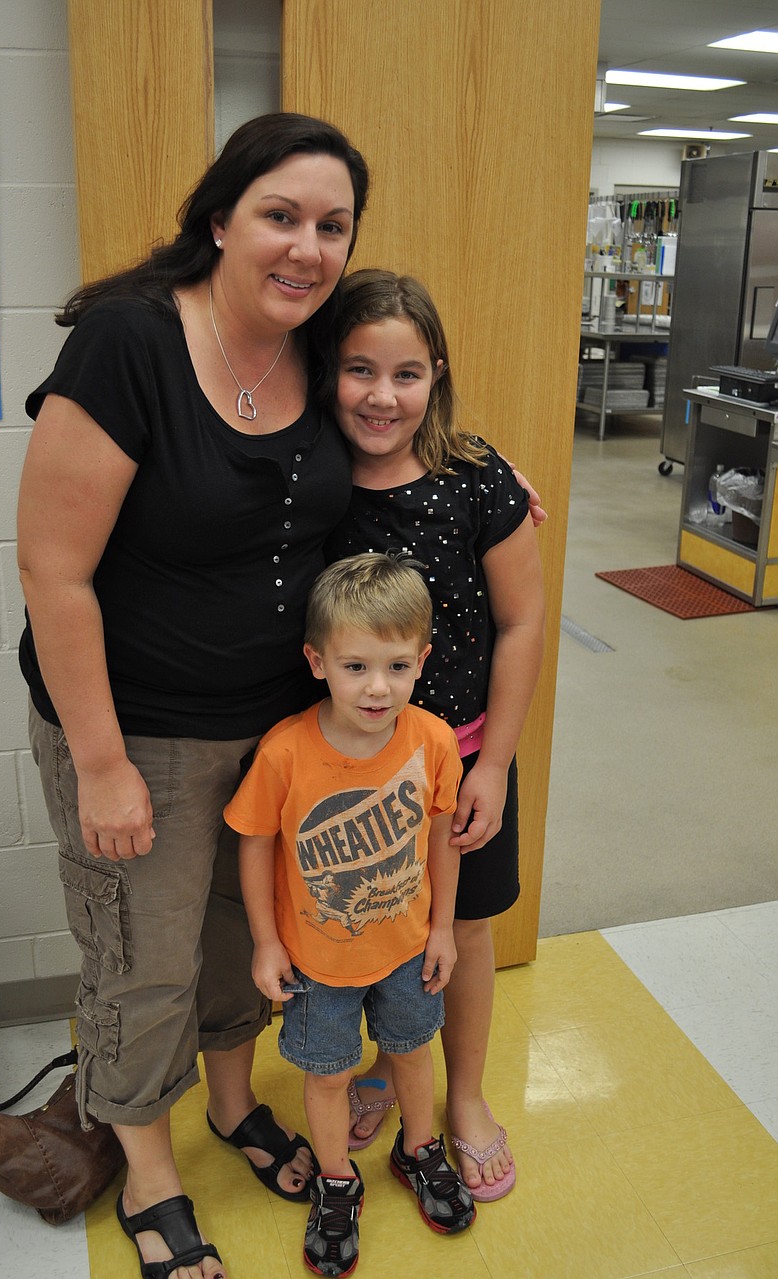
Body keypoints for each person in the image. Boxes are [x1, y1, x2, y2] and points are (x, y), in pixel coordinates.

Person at [16, 113, 370, 1279]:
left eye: (332, 225)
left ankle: (230, 1104)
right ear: (218, 220)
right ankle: (150, 1168)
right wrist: (102, 758)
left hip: (269, 731)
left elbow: (394, 434)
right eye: (280, 215)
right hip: (140, 731)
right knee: (141, 958)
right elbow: (52, 570)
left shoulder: (319, 347)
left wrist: (486, 479)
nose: (306, 247)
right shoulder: (128, 344)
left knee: (236, 940)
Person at [321, 269, 546, 1201]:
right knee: (372, 923)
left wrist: (493, 764)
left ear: (436, 374)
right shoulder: (307, 480)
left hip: (461, 758)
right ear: (325, 372)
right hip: (351, 773)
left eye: (406, 373)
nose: (383, 395)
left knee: (463, 928)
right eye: (359, 370)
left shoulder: (478, 481)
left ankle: (464, 1096)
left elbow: (523, 622)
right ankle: (386, 1062)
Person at [225, 553, 476, 1277]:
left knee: (410, 1051)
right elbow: (254, 845)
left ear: (422, 659)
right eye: (356, 665)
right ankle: (337, 1179)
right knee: (329, 1074)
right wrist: (266, 942)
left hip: (407, 949)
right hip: (317, 965)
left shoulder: (431, 741)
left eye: (398, 666)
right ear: (317, 661)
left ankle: (420, 1149)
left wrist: (442, 930)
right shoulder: (285, 752)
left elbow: (441, 836)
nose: (377, 686)